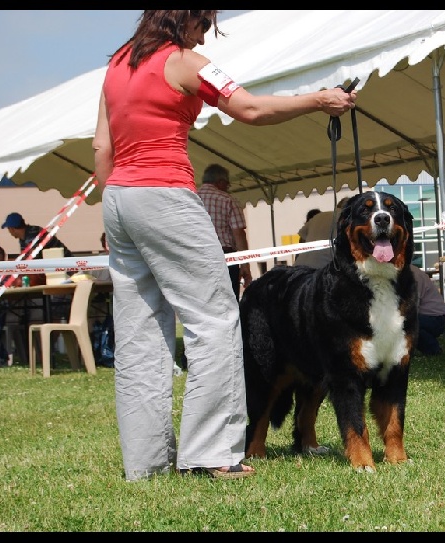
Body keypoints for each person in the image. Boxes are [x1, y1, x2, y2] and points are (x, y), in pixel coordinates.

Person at [92, 10, 356, 481]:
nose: (206, 34)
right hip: (164, 193)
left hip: (118, 200)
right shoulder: (185, 62)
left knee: (139, 339)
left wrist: (113, 213)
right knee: (214, 319)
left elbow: (102, 148)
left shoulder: (117, 64)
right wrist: (319, 100)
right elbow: (249, 109)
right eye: (203, 24)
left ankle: (146, 465)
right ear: (185, 20)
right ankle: (211, 452)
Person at [198, 163, 251, 300]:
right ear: (220, 182)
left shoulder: (190, 198)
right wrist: (245, 264)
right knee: (228, 303)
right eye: (227, 185)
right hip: (225, 256)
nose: (228, 188)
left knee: (201, 302)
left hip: (195, 255)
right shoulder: (228, 200)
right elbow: (239, 233)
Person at [295, 197, 349, 268]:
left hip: (299, 266)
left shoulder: (318, 216)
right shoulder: (347, 220)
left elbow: (302, 240)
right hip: (323, 268)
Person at [410, 264, 445, 356]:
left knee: (406, 323)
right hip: (427, 317)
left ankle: (432, 348)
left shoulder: (413, 275)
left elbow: (413, 306)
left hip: (435, 319)